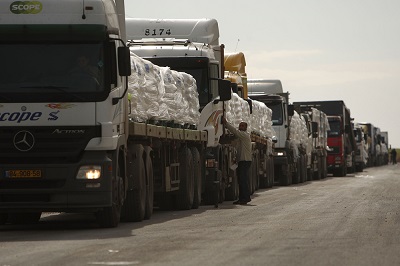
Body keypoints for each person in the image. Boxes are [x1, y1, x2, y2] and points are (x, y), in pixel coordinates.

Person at [222, 116, 252, 205]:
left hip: (245, 161)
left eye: (243, 126)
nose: (241, 127)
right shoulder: (239, 138)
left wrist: (226, 124)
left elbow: (235, 131)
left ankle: (245, 198)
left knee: (243, 180)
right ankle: (242, 198)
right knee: (240, 180)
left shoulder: (245, 135)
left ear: (245, 128)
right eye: (240, 125)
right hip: (241, 161)